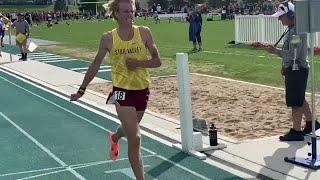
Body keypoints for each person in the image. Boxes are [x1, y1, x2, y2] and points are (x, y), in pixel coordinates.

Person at [70, 0, 161, 179]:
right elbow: (96, 63)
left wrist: (138, 63)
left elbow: (157, 62)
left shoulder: (144, 33)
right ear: (116, 14)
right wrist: (82, 89)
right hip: (121, 91)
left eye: (132, 11)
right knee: (135, 138)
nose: (129, 14)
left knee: (128, 130)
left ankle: (115, 137)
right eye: (125, 11)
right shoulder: (108, 38)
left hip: (142, 89)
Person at [267, 1, 320, 141]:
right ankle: (311, 123)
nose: (279, 19)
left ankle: (296, 131)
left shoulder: (296, 31)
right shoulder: (292, 29)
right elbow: (292, 54)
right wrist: (284, 65)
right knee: (299, 98)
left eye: (281, 16)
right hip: (295, 68)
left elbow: (293, 54)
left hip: (297, 69)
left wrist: (275, 51)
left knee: (295, 102)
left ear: (290, 15)